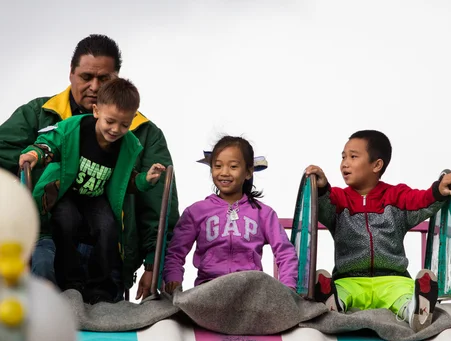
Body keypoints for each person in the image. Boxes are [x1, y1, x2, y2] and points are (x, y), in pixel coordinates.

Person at [0, 34, 178, 299]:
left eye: (104, 79)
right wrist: (42, 163)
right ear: (71, 73)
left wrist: (154, 264)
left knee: (107, 335)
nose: (94, 86)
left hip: (109, 260)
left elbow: (158, 206)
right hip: (45, 252)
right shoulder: (39, 114)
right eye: (86, 77)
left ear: (117, 79)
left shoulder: (141, 133)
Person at [19, 78, 165, 304]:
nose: (116, 130)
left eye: (124, 125)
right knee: (66, 220)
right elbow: (50, 142)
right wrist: (35, 154)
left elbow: (128, 179)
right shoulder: (75, 128)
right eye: (110, 121)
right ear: (96, 111)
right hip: (65, 191)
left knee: (108, 228)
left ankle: (101, 288)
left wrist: (146, 179)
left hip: (95, 197)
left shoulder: (128, 145)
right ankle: (71, 282)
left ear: (132, 119)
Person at [305, 129, 451, 332]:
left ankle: (417, 309)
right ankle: (333, 304)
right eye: (343, 157)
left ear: (376, 165)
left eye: (353, 156)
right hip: (350, 278)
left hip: (392, 278)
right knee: (341, 291)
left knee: (404, 294)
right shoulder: (339, 199)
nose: (345, 163)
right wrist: (322, 188)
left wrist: (438, 191)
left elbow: (420, 201)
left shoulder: (396, 196)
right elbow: (323, 207)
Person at [163, 135, 298, 292]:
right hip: (209, 289)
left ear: (248, 172)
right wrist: (173, 278)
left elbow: (285, 252)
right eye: (218, 166)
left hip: (250, 289)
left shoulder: (263, 214)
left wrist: (288, 287)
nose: (224, 172)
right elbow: (175, 252)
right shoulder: (196, 212)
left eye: (233, 167)